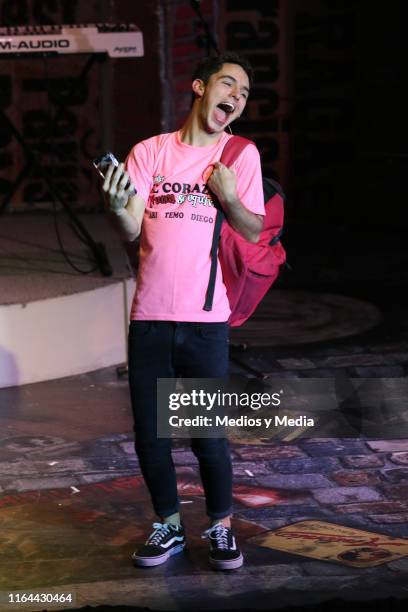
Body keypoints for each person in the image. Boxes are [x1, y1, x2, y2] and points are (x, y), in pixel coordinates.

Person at [102, 52, 265, 570]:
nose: (236, 97)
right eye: (228, 84)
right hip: (150, 317)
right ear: (199, 87)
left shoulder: (239, 156)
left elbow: (253, 229)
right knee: (151, 434)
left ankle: (220, 528)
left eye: (244, 93)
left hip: (204, 320)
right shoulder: (150, 152)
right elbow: (131, 230)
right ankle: (168, 526)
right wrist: (116, 206)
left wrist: (231, 196)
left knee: (206, 436)